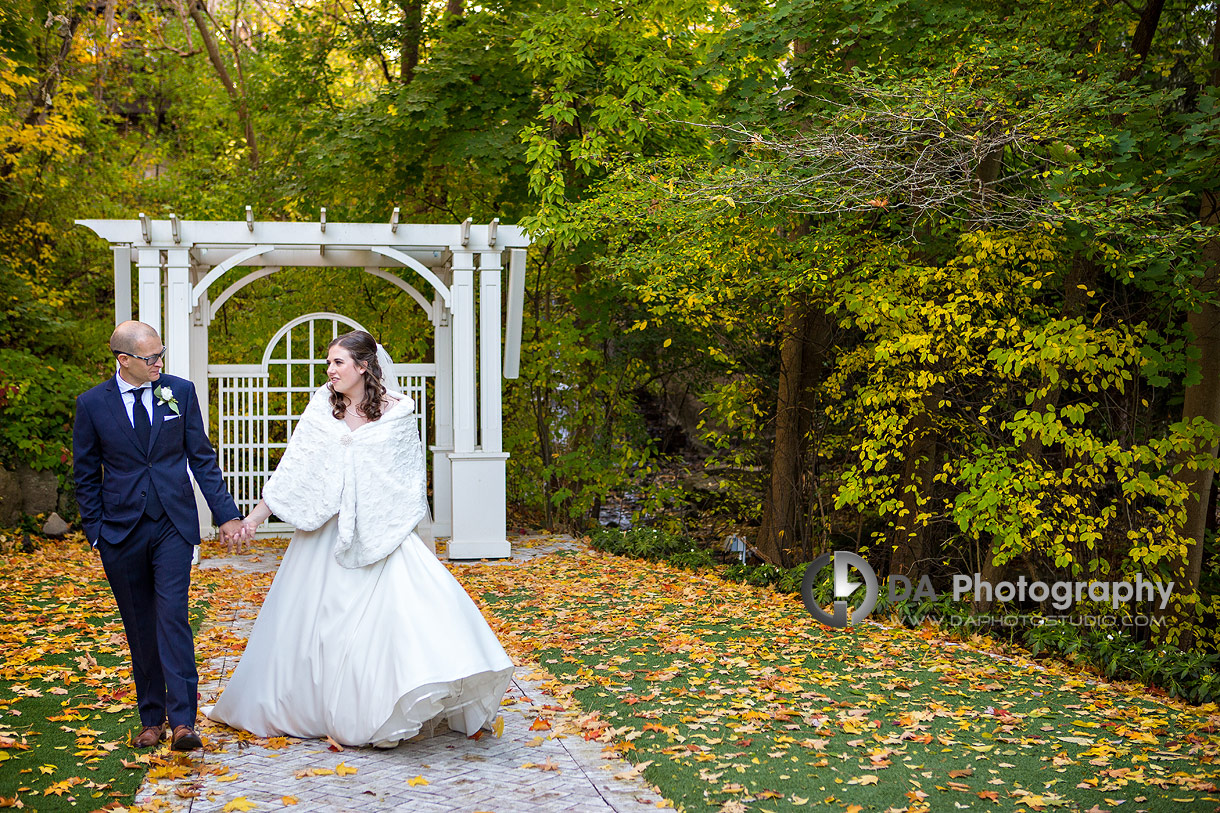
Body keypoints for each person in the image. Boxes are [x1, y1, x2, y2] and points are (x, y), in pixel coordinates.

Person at [205, 330, 513, 747]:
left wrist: (377, 521)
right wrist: (255, 520)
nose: (329, 371)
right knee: (319, 627)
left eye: (338, 363)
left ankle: (390, 705)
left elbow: (405, 480)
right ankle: (319, 707)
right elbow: (296, 470)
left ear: (363, 366)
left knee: (406, 619)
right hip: (324, 536)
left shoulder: (399, 413)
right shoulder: (320, 409)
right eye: (328, 363)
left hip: (382, 533)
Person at [73, 321, 245, 751]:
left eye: (161, 354)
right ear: (123, 360)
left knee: (172, 618)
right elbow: (85, 473)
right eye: (150, 358)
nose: (159, 363)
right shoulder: (92, 404)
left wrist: (226, 515)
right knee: (140, 626)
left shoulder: (180, 391)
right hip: (120, 530)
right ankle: (151, 718)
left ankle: (184, 721)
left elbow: (202, 458)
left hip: (172, 522)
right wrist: (96, 532)